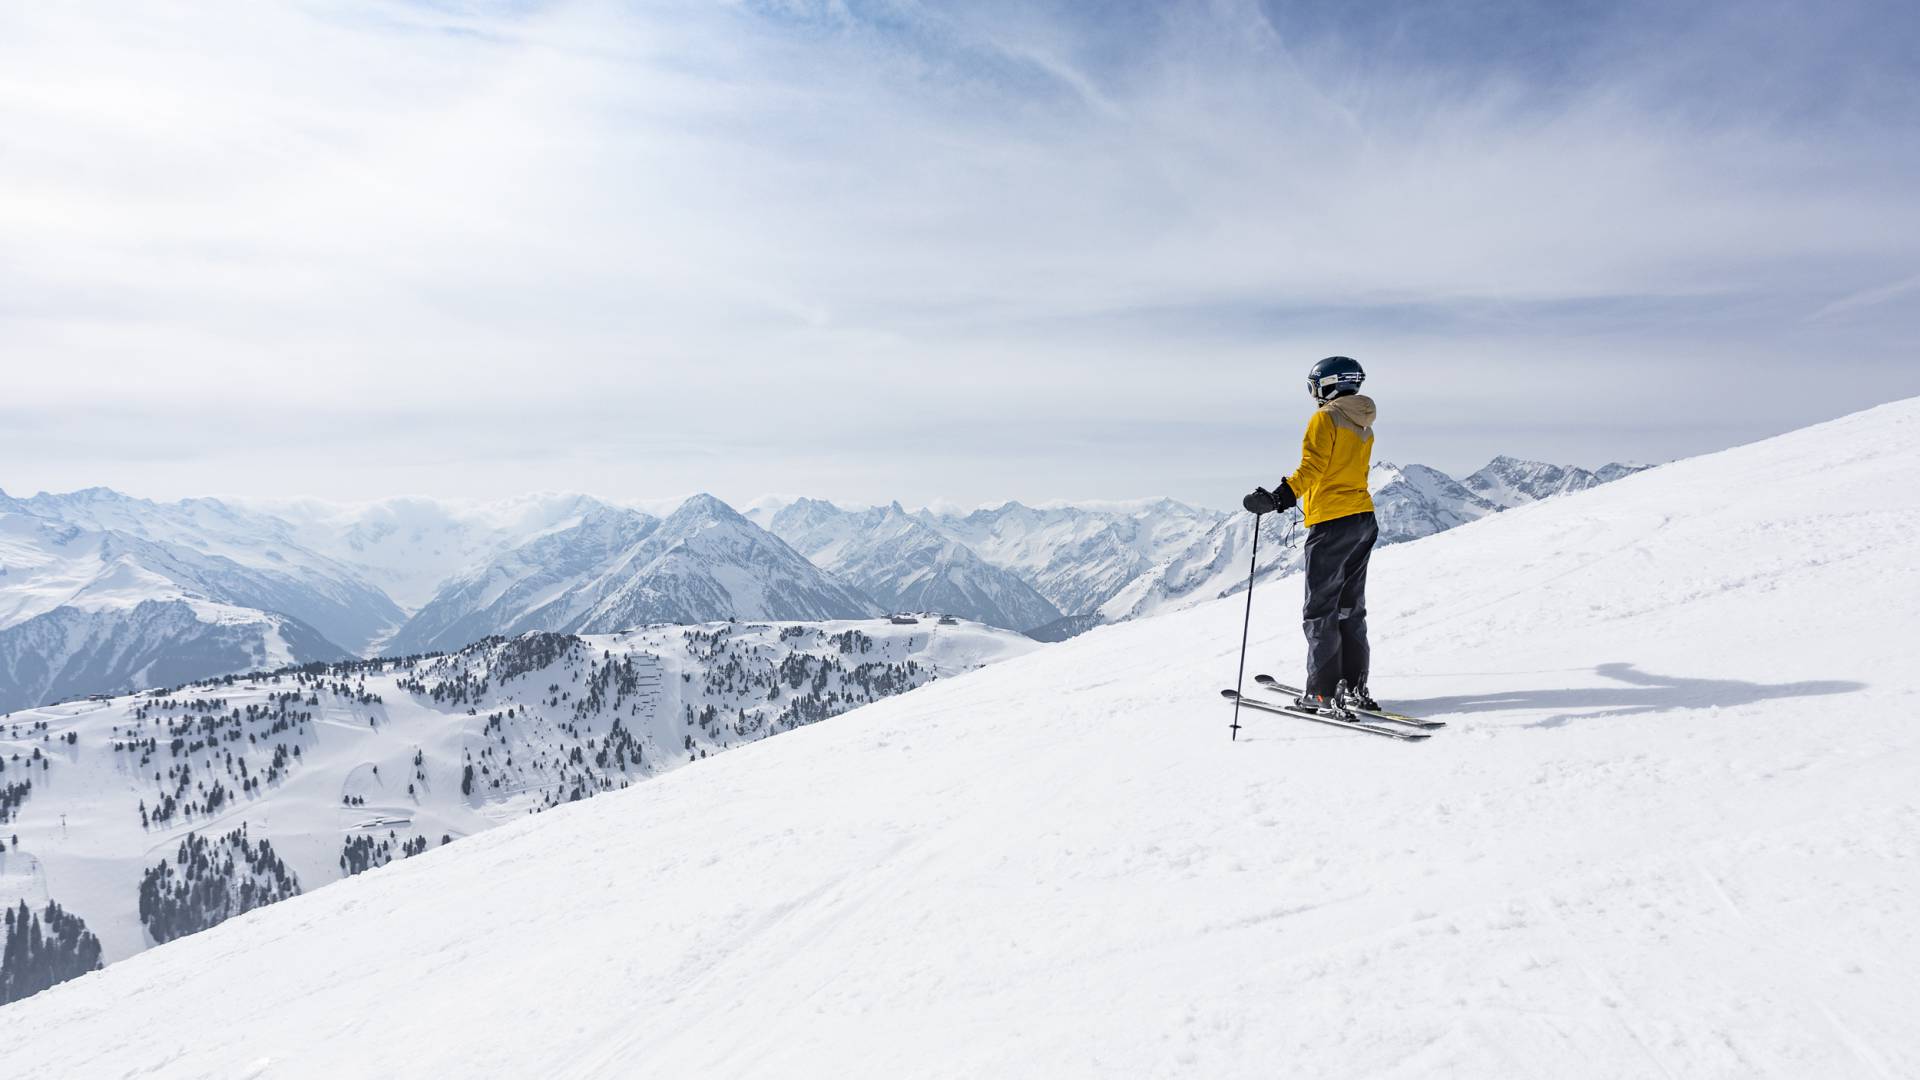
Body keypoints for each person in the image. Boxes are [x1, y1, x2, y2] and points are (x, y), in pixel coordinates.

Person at [1242, 356, 1380, 717]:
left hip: (1332, 522)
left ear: (1329, 384)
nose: (1314, 394)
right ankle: (1353, 685)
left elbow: (1312, 468)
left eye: (1315, 386)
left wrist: (1278, 498)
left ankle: (1320, 693)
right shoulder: (1363, 421)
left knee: (1321, 609)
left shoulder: (1327, 417)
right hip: (1362, 518)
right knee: (1350, 608)